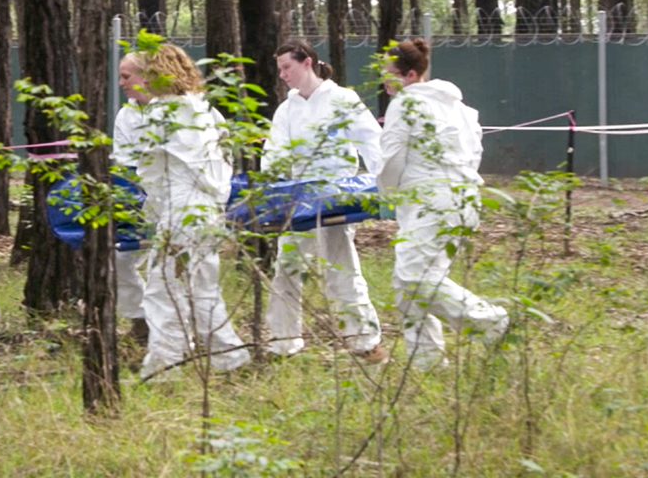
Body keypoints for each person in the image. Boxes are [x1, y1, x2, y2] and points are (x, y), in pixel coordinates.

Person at [120, 44, 249, 379]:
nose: (130, 82)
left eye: (134, 74)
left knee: (163, 290)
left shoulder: (167, 113)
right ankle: (230, 360)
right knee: (201, 288)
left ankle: (165, 368)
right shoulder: (204, 109)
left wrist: (162, 220)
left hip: (183, 214)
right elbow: (223, 166)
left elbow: (151, 175)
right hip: (206, 213)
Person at [379, 38, 508, 368]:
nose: (384, 79)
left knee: (413, 278)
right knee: (409, 280)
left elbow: (392, 156)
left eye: (388, 73)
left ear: (408, 75)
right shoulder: (458, 107)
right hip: (460, 198)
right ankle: (426, 362)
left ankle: (488, 320)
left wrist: (386, 190)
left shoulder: (405, 103)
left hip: (430, 200)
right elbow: (475, 152)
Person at [260, 39, 386, 363]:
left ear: (307, 63)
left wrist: (386, 185)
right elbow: (273, 155)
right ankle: (282, 343)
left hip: (334, 198)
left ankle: (365, 343)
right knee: (286, 267)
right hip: (296, 200)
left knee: (340, 269)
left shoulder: (343, 100)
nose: (283, 75)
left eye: (287, 67)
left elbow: (372, 142)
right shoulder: (286, 109)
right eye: (279, 69)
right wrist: (273, 190)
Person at [112, 53, 151, 345]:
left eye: (127, 76)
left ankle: (186, 334)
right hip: (140, 203)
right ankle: (141, 321)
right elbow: (125, 164)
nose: (121, 83)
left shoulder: (181, 109)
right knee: (119, 257)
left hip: (184, 204)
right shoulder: (126, 115)